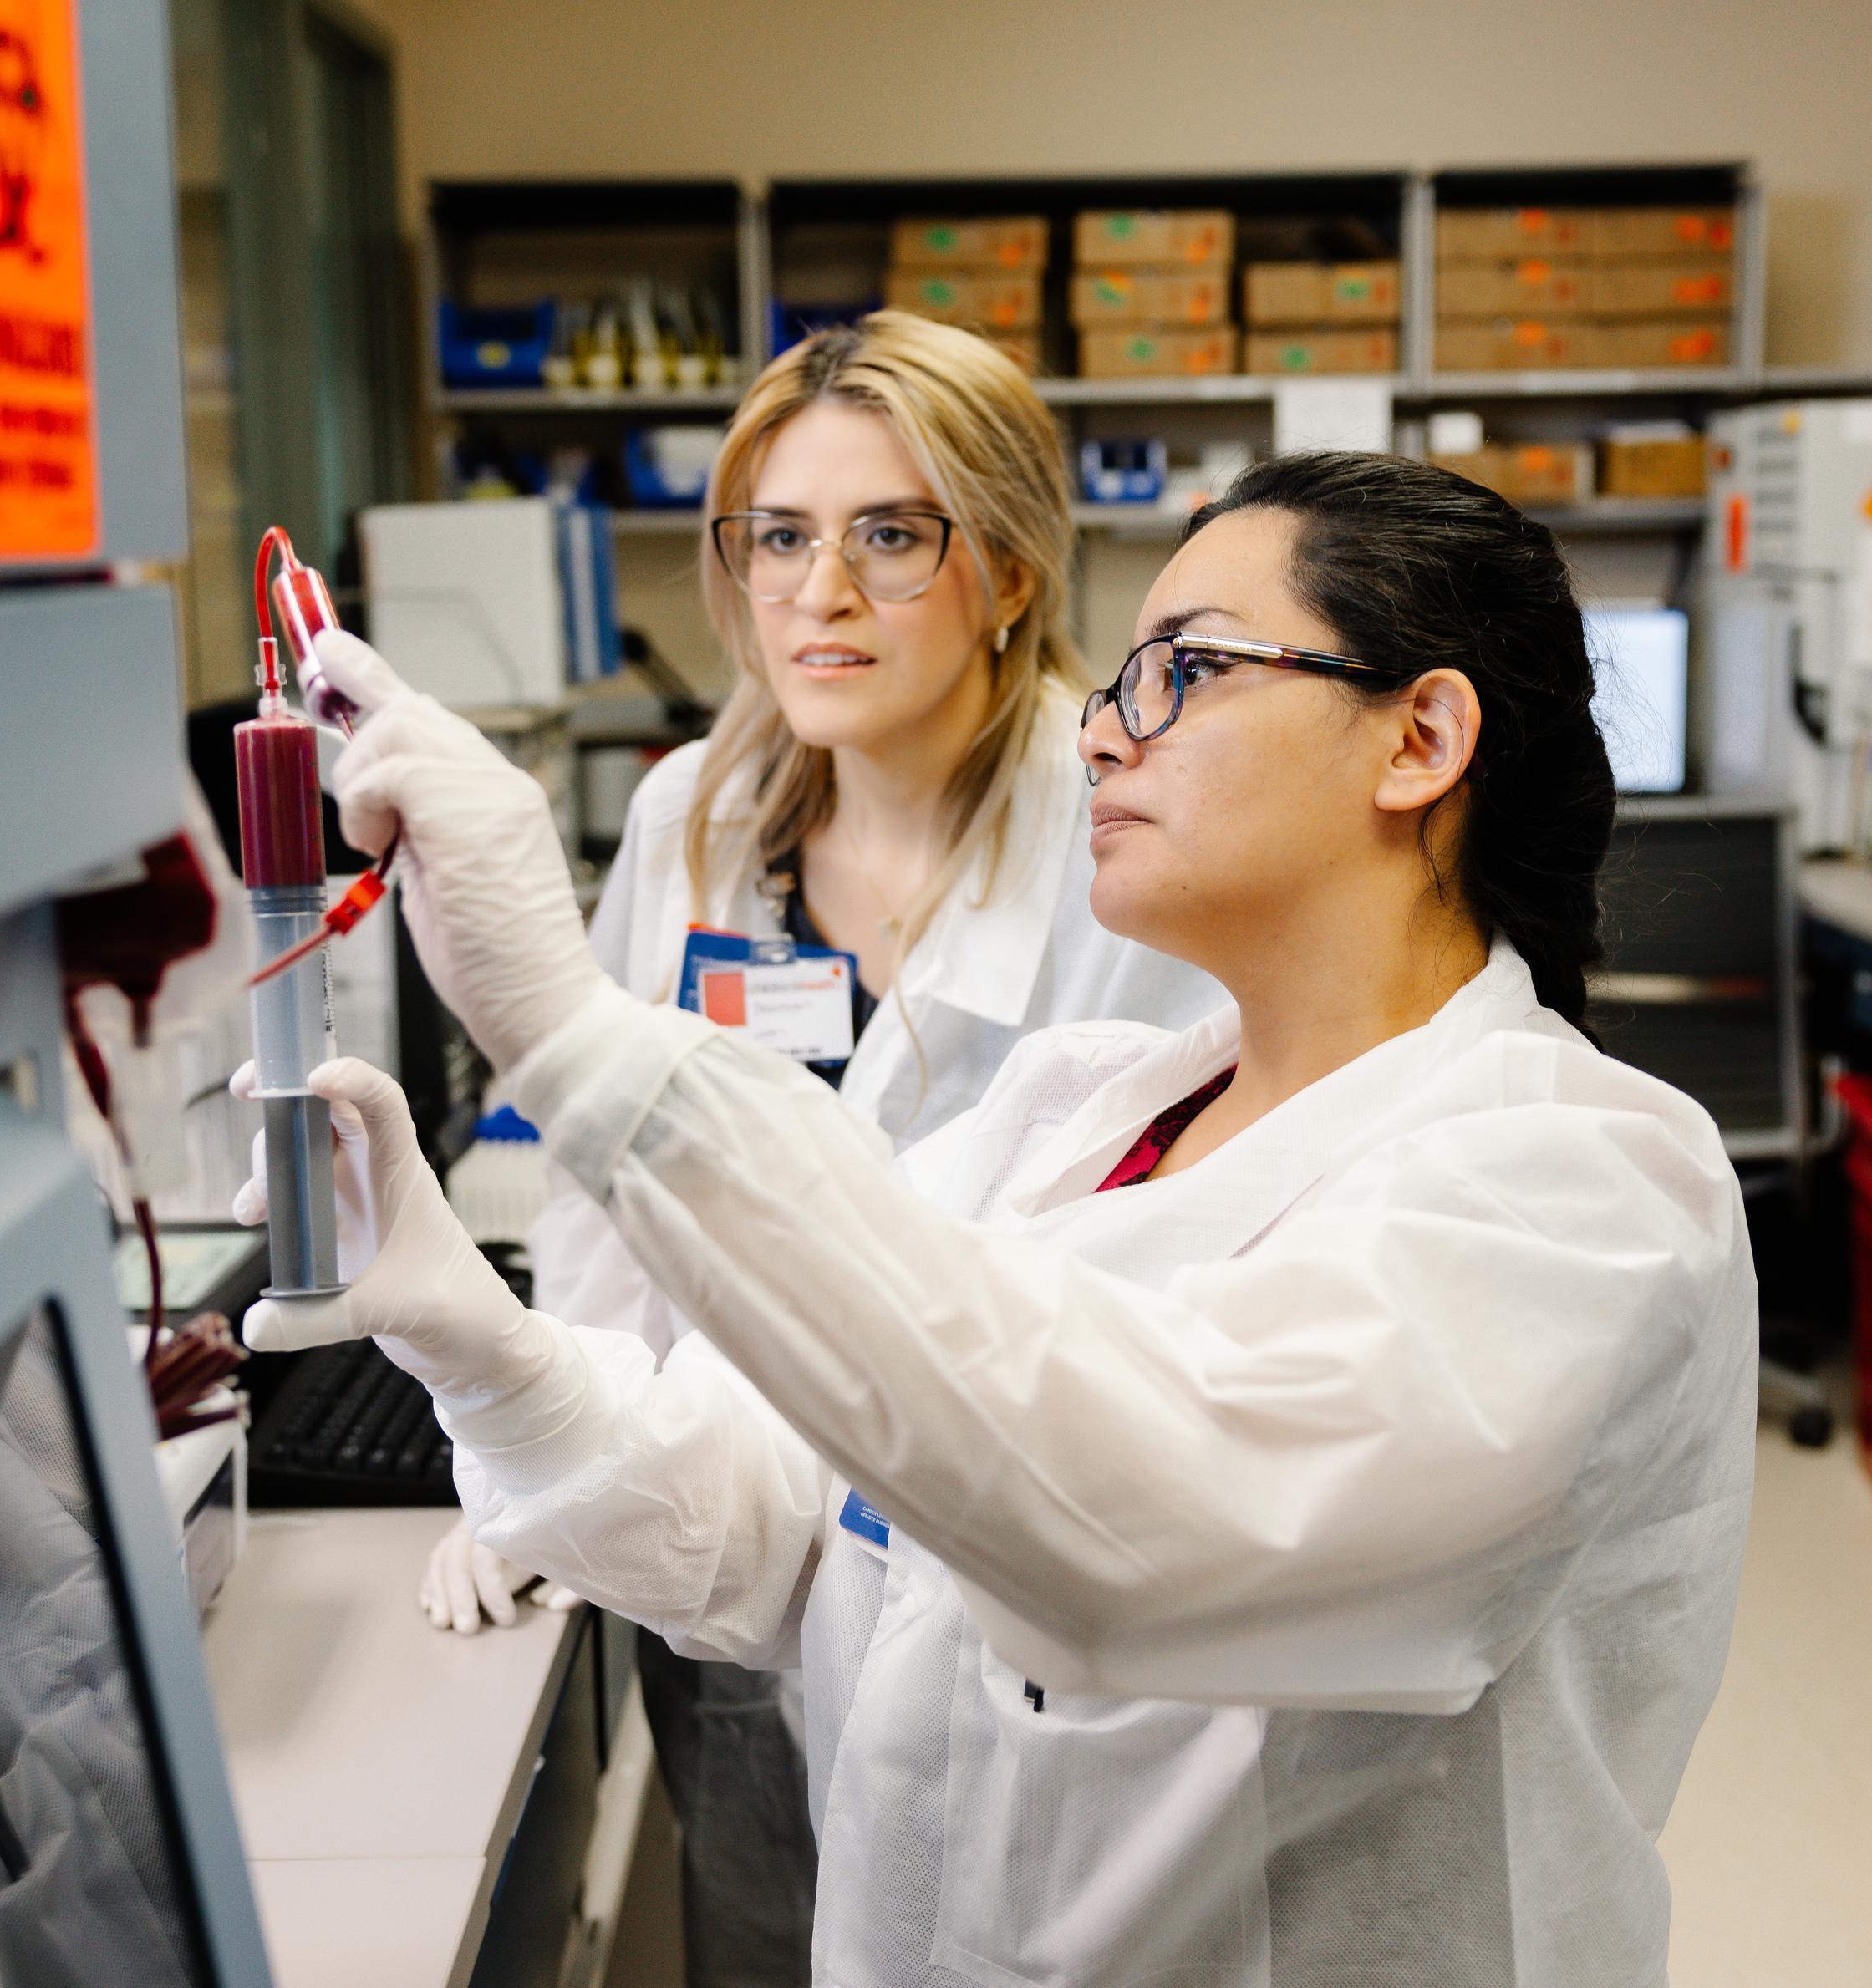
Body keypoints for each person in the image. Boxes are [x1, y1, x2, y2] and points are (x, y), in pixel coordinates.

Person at [252, 450, 1758, 1984]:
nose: (1099, 733)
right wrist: (485, 1347)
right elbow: (763, 1509)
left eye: (1183, 671)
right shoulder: (1072, 1112)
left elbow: (1133, 1531)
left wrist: (580, 1037)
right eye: (1119, 683)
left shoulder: (1594, 1186)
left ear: (1419, 738)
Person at [413, 314, 1222, 1983]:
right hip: (718, 1524)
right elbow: (604, 1179)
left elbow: (1165, 1253)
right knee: (762, 1927)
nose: (819, 593)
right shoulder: (693, 815)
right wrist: (550, 1451)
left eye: (890, 535)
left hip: (1002, 1582)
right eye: (778, 536)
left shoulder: (1123, 839)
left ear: (1009, 569)